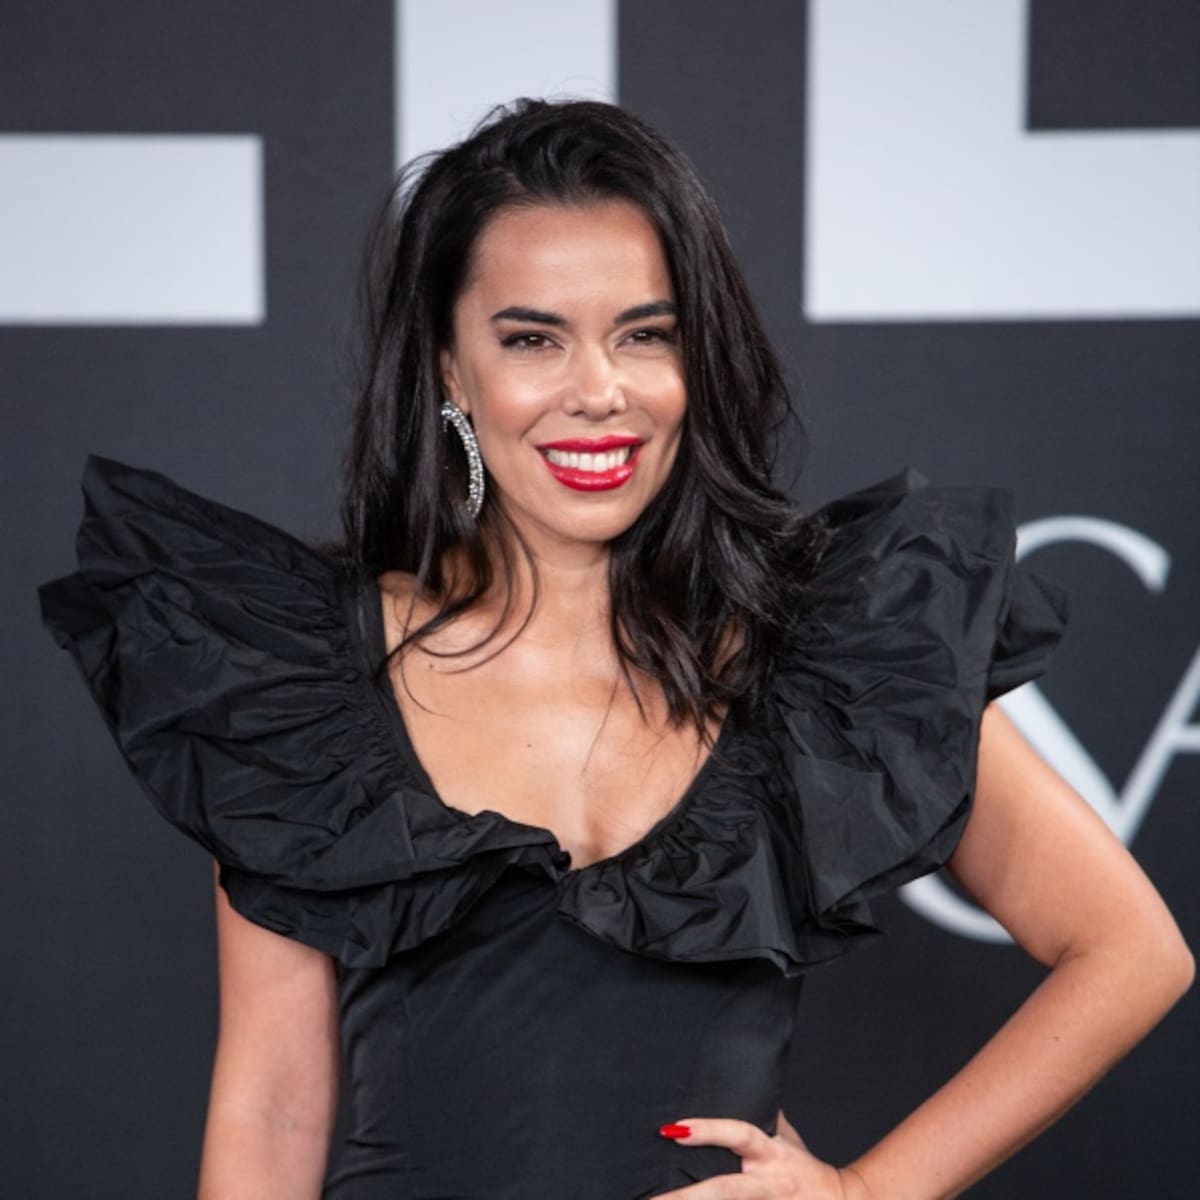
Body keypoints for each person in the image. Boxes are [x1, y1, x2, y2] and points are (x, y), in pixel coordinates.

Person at [39, 98, 1191, 1200]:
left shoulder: (823, 652)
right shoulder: (299, 679)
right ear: (449, 367)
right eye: (531, 339)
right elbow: (273, 1107)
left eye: (645, 335)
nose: (598, 391)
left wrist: (870, 1188)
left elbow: (1131, 951)